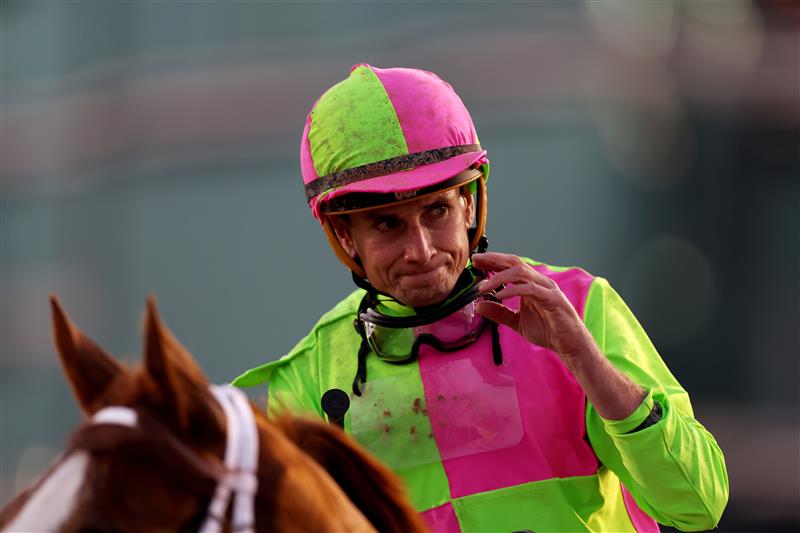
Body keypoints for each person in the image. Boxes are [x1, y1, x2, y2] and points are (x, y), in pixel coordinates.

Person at [233, 64, 728, 532]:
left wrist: (585, 360)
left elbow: (698, 504)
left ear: (469, 204)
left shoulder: (578, 308)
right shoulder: (307, 378)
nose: (421, 251)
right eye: (387, 224)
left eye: (438, 212)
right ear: (344, 235)